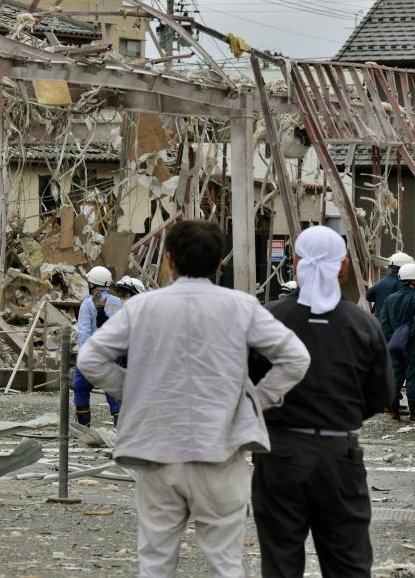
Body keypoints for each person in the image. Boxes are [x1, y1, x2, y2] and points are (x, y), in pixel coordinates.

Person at [78, 220, 310, 578]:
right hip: (221, 450)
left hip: (157, 451)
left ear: (169, 261)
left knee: (155, 561)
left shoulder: (143, 307)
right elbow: (296, 358)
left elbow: (91, 358)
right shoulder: (242, 306)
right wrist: (255, 400)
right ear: (219, 264)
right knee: (226, 562)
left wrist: (134, 392)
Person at [253, 225, 392, 577]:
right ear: (342, 266)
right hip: (338, 454)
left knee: (281, 559)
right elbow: (382, 395)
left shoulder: (270, 319)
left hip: (278, 452)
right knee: (348, 561)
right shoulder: (363, 324)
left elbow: (247, 382)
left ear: (295, 263)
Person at [72, 266, 123, 427]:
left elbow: (84, 333)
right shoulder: (118, 302)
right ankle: (119, 427)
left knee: (80, 387)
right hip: (113, 354)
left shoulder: (87, 304)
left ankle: (84, 426)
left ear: (92, 284)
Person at [379, 262, 415, 423]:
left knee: (395, 377)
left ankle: (395, 415)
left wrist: (391, 340)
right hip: (412, 344)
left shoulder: (390, 299)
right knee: (412, 377)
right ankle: (413, 415)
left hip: (393, 344)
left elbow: (384, 322)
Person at [368, 251, 412, 317]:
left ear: (390, 266)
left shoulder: (380, 283)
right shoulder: (409, 285)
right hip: (399, 325)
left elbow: (368, 296)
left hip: (379, 324)